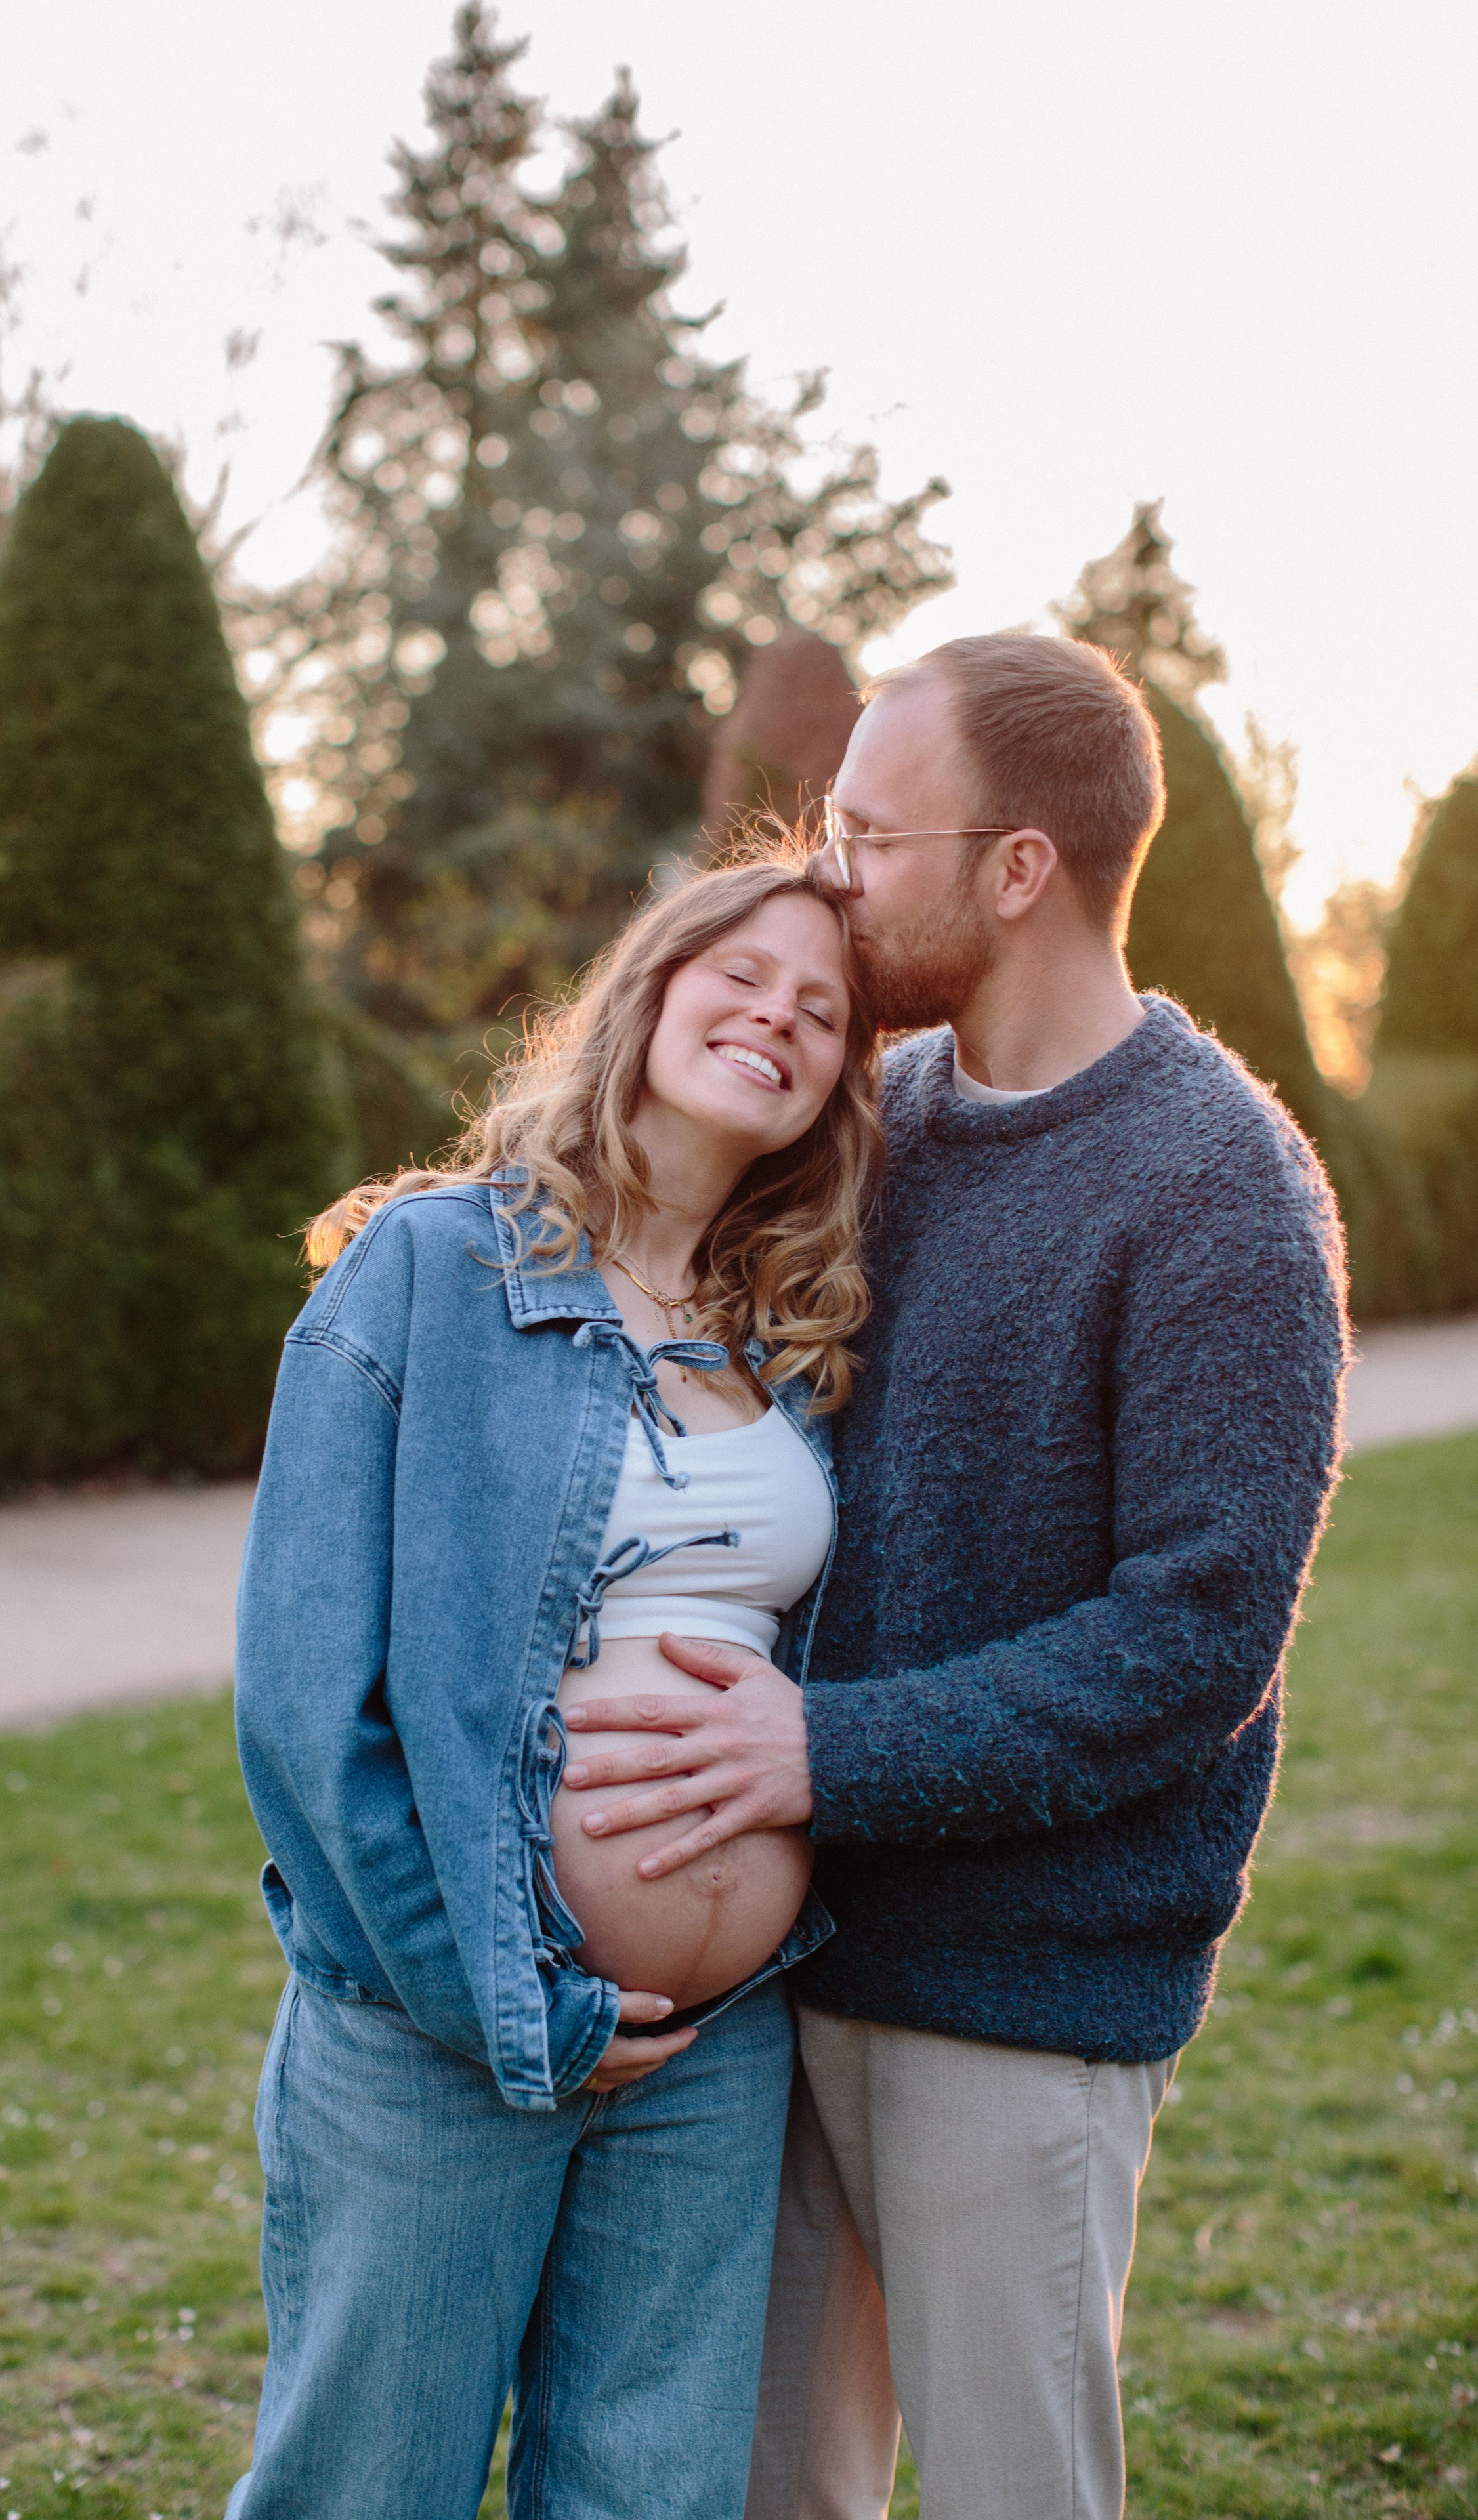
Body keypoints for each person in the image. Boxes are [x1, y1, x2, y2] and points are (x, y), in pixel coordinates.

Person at [557, 634, 1349, 2520]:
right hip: (785, 1966)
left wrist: (825, 1756)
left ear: (1018, 870)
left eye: (867, 834)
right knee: (768, 2495)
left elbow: (1198, 1640)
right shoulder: (875, 1122)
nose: (828, 873)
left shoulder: (1218, 1185)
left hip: (1025, 1999)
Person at [225, 851, 882, 2520]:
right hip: (444, 2032)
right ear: (651, 984)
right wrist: (502, 2000)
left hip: (716, 2050)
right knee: (369, 2487)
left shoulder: (784, 1331)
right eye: (741, 973)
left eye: (820, 1011)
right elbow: (309, 1699)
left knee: (645, 2499)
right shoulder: (433, 1270)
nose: (775, 1019)